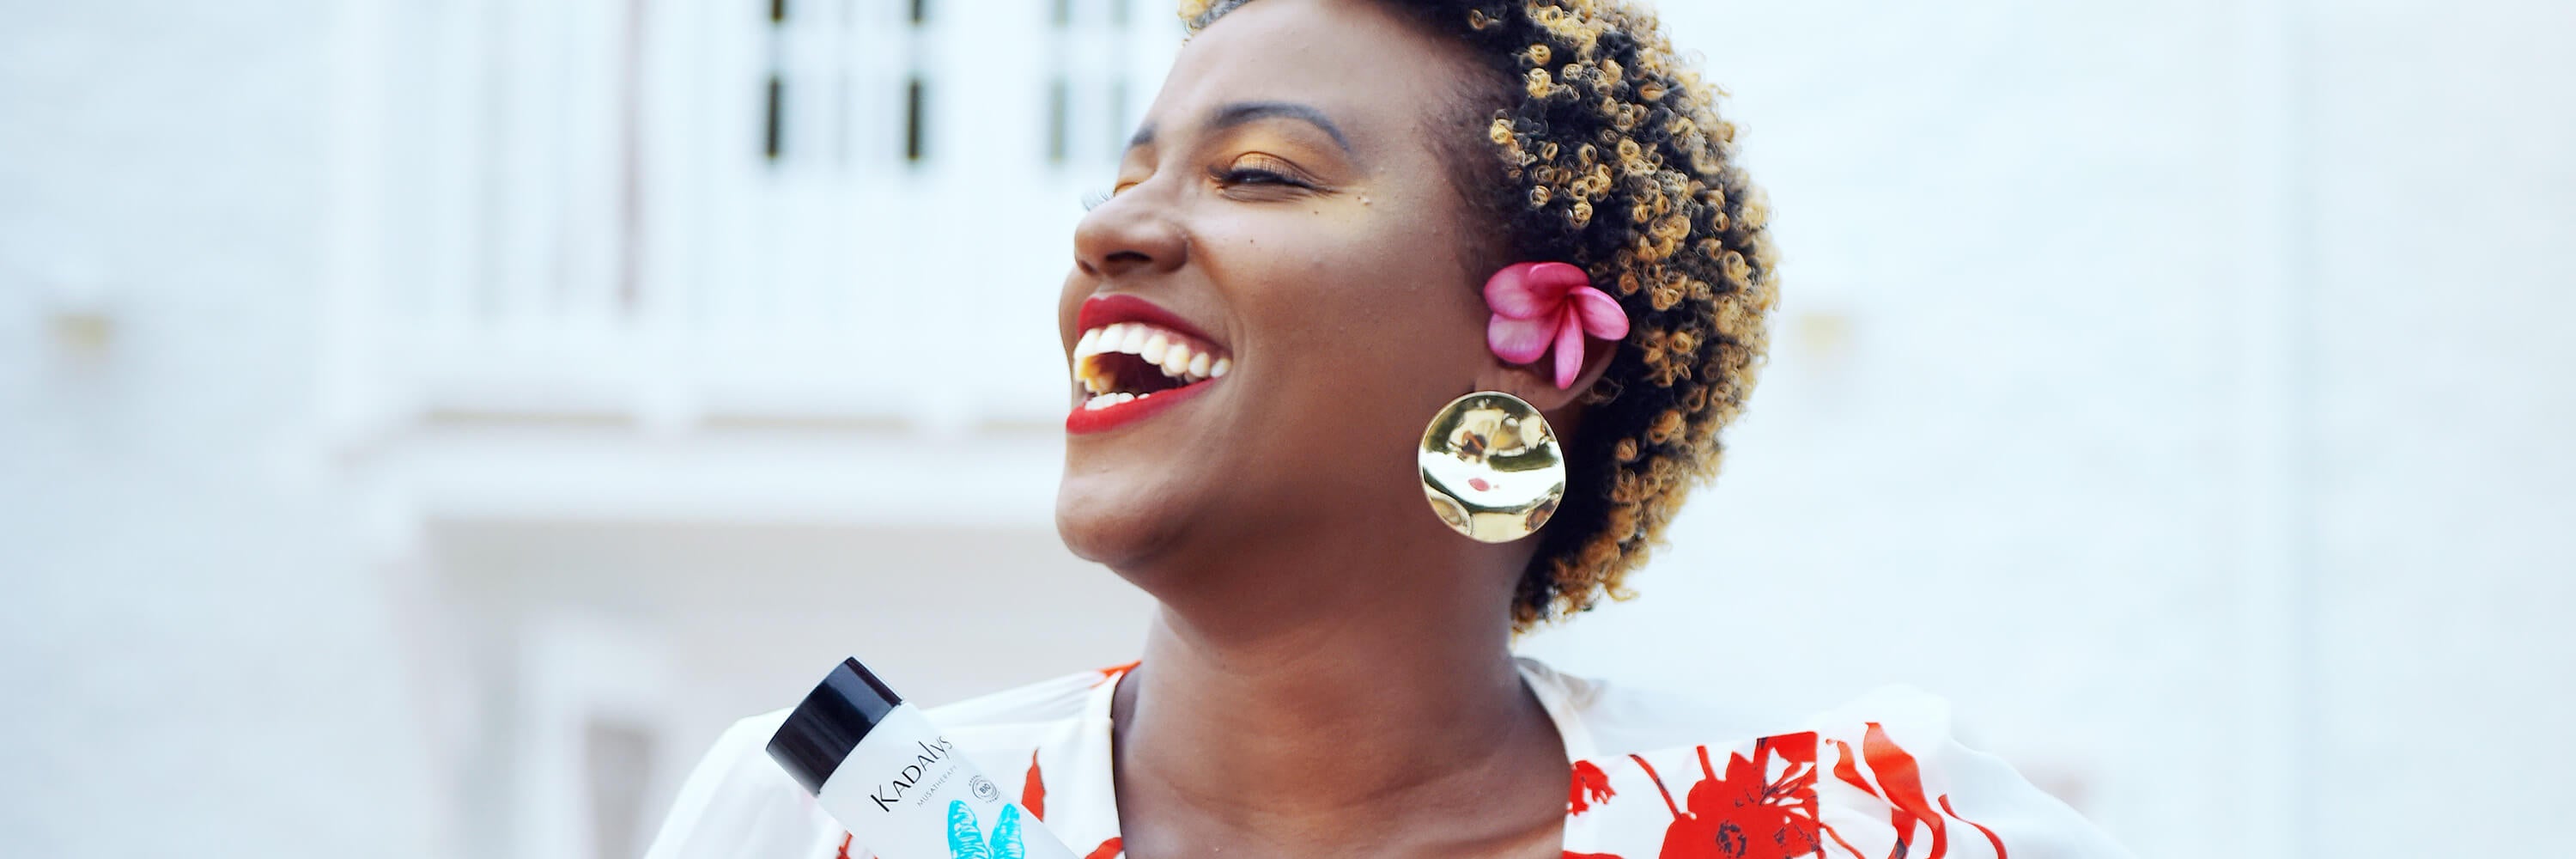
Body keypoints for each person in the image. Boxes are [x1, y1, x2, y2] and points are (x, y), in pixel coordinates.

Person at [647, 1, 2129, 856]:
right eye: (1130, 173)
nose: (1114, 229)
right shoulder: (804, 827)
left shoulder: (1868, 827)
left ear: (1541, 344)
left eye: (1264, 176)